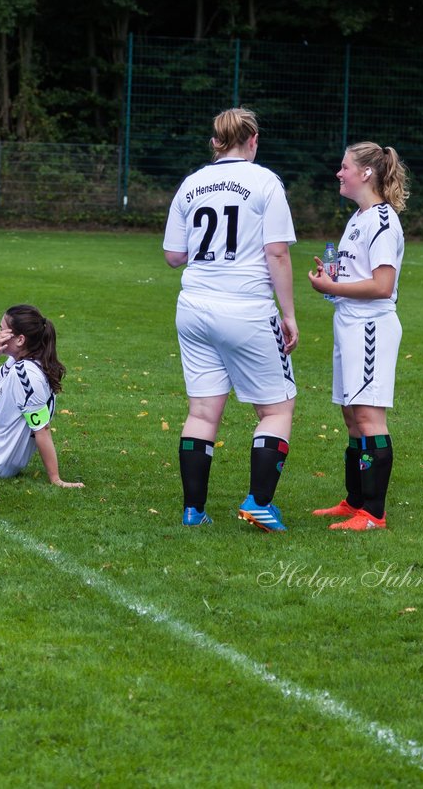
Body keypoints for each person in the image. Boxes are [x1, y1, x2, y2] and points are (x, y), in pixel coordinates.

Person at [162, 107, 299, 531]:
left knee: (203, 412)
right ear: (253, 139)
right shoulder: (265, 182)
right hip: (246, 308)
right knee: (276, 409)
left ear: (217, 140)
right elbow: (276, 252)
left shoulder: (191, 184)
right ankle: (259, 502)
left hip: (194, 307)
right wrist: (289, 314)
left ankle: (193, 511)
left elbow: (173, 256)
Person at [307, 142, 408, 531]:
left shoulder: (382, 220)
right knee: (352, 416)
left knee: (368, 417)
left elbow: (383, 285)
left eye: (344, 166)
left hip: (371, 326)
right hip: (348, 322)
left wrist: (332, 289)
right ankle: (355, 501)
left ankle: (374, 513)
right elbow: (355, 277)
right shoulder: (357, 219)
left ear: (366, 173)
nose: (339, 172)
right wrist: (330, 283)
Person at [0, 305, 83, 487]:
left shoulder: (26, 375)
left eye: (2, 329)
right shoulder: (17, 361)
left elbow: (42, 429)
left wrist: (56, 479)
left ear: (20, 339)